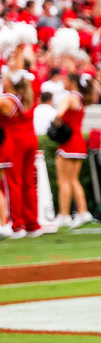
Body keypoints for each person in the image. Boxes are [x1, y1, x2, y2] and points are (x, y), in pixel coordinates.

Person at [0, 68, 42, 238]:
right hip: (31, 139)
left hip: (14, 142)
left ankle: (17, 225)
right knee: (28, 183)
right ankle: (32, 223)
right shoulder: (28, 96)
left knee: (12, 183)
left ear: (10, 83)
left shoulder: (7, 100)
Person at [53, 72, 95, 228]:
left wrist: (57, 123)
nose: (63, 82)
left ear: (72, 82)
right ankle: (83, 212)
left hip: (69, 143)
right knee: (73, 180)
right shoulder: (81, 99)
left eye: (65, 80)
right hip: (78, 141)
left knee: (63, 181)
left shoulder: (70, 98)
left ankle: (64, 215)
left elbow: (59, 114)